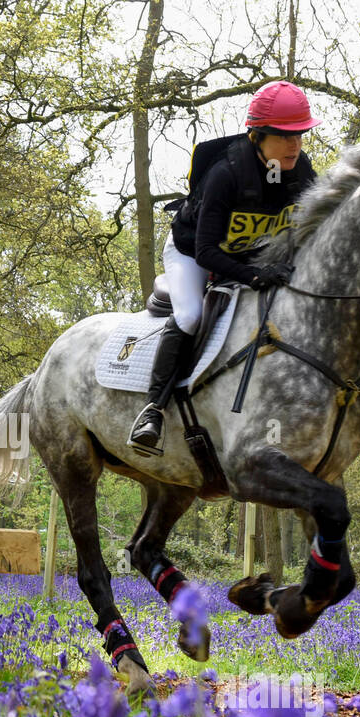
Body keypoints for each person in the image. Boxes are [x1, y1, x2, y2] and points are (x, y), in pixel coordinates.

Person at [128, 80, 321, 454]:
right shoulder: (226, 173)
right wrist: (254, 276)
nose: (295, 145)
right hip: (193, 253)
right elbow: (205, 252)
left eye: (299, 135)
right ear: (257, 136)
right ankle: (153, 409)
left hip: (251, 255)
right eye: (284, 136)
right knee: (189, 315)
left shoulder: (300, 171)